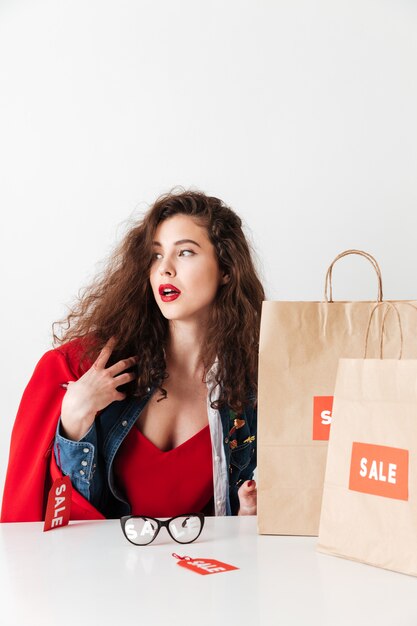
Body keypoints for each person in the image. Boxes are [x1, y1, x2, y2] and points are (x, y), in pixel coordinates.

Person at [1, 189, 265, 522]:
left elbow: (244, 521)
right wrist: (73, 422)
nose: (165, 269)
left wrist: (249, 514)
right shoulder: (79, 370)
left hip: (200, 571)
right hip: (99, 571)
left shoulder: (255, 390)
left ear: (226, 269)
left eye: (184, 252)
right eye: (156, 255)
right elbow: (55, 521)